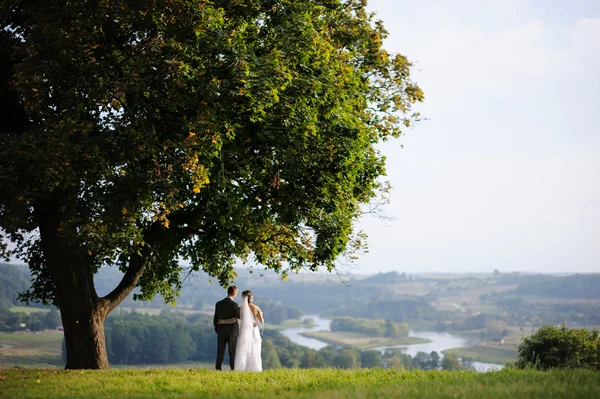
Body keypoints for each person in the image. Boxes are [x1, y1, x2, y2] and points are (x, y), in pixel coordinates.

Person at [234, 290, 264, 372]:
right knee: (254, 348)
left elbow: (236, 319)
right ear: (251, 297)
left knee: (244, 348)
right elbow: (261, 321)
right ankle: (255, 368)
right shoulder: (256, 308)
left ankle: (243, 367)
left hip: (244, 330)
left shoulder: (240, 309)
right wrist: (256, 321)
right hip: (254, 330)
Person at [213, 285, 240, 370]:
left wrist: (217, 329)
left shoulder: (218, 304)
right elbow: (237, 317)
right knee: (232, 351)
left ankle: (218, 368)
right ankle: (233, 368)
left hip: (221, 331)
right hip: (232, 332)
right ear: (234, 293)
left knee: (220, 351)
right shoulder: (234, 305)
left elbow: (215, 319)